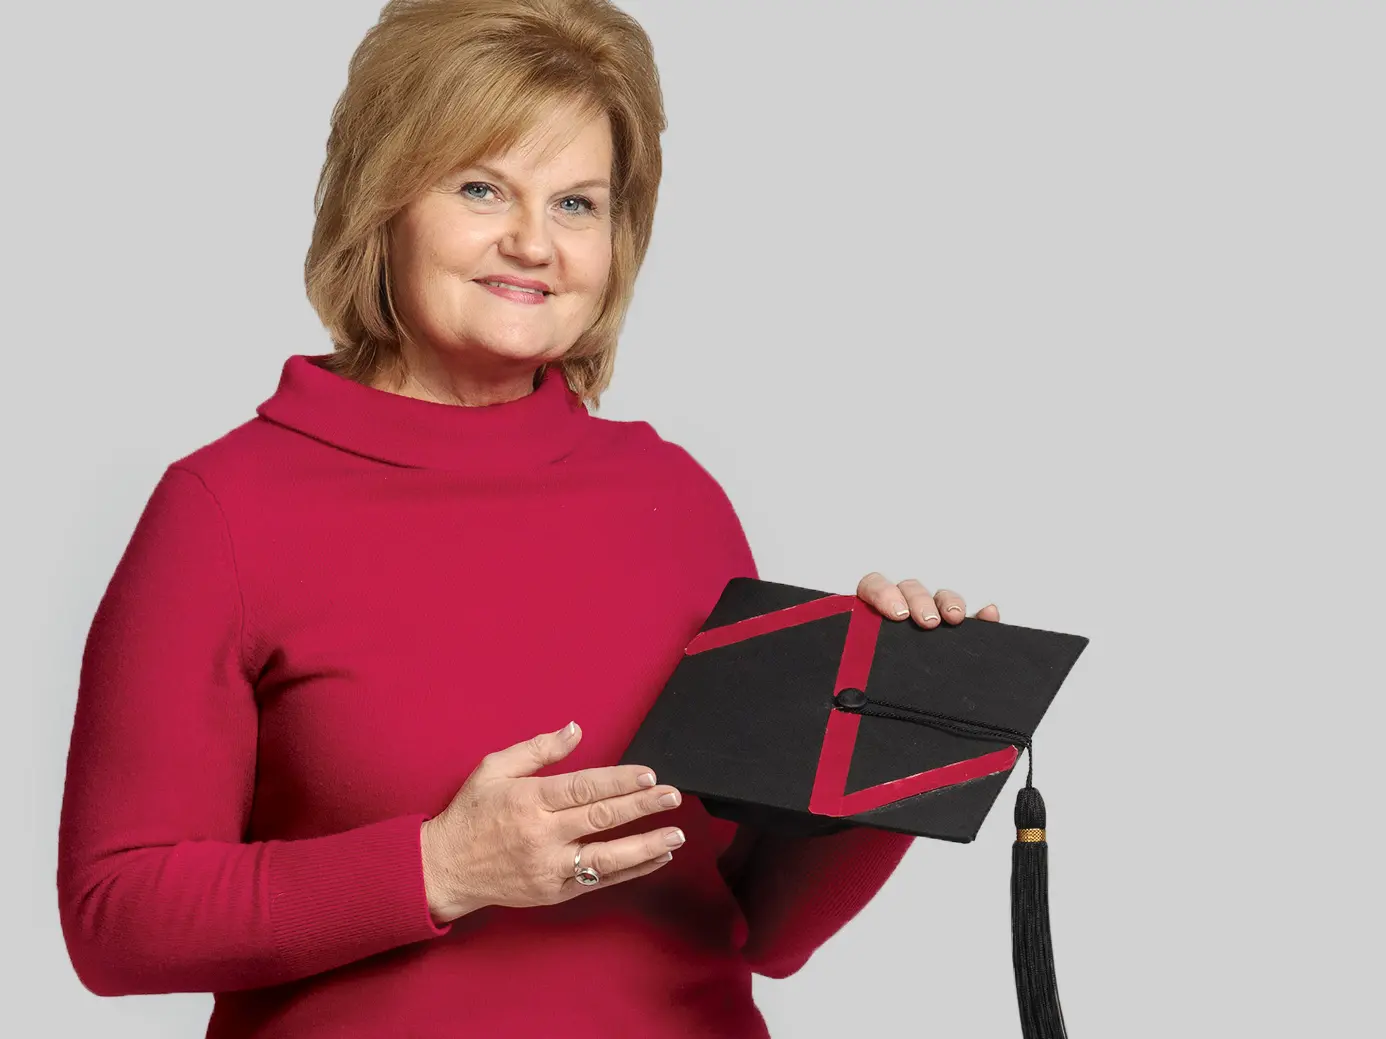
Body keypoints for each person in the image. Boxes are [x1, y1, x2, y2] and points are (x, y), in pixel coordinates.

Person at [56, 1, 1001, 1035]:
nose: (532, 243)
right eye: (480, 188)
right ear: (384, 203)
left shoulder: (676, 499)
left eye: (577, 204)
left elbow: (757, 929)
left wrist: (900, 750)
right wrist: (440, 867)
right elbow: (116, 918)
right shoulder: (226, 507)